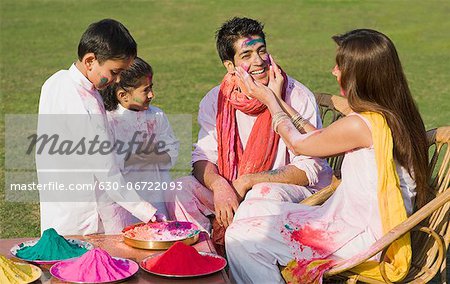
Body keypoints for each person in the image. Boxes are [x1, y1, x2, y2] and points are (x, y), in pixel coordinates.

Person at [226, 28, 430, 283]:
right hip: (353, 222)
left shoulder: (362, 125)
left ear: (361, 75)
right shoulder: (390, 114)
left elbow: (300, 146)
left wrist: (269, 100)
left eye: (340, 65)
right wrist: (280, 100)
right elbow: (319, 140)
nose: (334, 71)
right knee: (254, 207)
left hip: (362, 238)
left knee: (240, 238)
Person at [166, 17, 332, 252]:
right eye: (247, 55)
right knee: (179, 189)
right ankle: (209, 261)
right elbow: (203, 156)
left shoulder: (296, 96)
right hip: (234, 187)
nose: (259, 61)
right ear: (230, 66)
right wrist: (220, 187)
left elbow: (309, 169)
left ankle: (245, 260)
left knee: (261, 193)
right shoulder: (216, 99)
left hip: (285, 193)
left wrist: (248, 181)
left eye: (262, 50)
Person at [37, 19, 162, 235]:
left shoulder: (61, 83)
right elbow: (104, 168)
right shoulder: (76, 97)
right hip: (80, 217)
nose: (116, 80)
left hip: (74, 207)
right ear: (90, 61)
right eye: (114, 72)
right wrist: (146, 211)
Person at [100, 57, 179, 221]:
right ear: (123, 95)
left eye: (151, 88)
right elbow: (110, 165)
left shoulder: (156, 116)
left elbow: (172, 151)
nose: (152, 94)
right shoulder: (109, 122)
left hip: (158, 197)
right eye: (145, 90)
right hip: (125, 203)